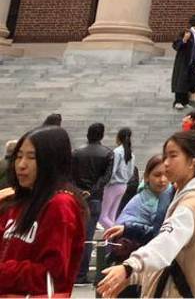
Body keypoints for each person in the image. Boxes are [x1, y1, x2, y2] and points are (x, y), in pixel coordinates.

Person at [96, 130, 195, 299]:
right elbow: (168, 253)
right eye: (165, 156)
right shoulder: (183, 196)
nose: (166, 163)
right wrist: (132, 276)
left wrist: (129, 267)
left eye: (173, 155)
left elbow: (166, 243)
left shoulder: (192, 203)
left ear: (192, 161)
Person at [0, 125, 87, 292]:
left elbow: (52, 274)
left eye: (31, 158)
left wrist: (4, 272)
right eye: (18, 156)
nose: (21, 165)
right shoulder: (16, 201)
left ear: (51, 161)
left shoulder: (60, 205)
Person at [103, 153, 174, 252]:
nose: (163, 180)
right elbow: (157, 232)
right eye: (157, 175)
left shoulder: (175, 195)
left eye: (167, 174)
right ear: (147, 177)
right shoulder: (141, 201)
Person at [73, 119, 114, 284]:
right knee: (88, 236)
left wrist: (79, 191)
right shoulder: (108, 153)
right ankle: (81, 274)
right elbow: (106, 177)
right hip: (95, 198)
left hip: (77, 197)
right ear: (102, 135)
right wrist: (91, 191)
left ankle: (74, 271)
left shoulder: (76, 152)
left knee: (75, 235)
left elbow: (70, 175)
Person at [99, 127, 135, 230]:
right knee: (111, 215)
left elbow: (112, 170)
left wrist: (105, 182)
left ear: (119, 137)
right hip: (123, 185)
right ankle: (111, 241)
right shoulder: (131, 153)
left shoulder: (117, 152)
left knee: (103, 216)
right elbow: (131, 172)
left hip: (113, 185)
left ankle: (118, 233)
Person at [170, 15, 195, 108]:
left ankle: (185, 101)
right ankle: (178, 101)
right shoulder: (186, 32)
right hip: (183, 60)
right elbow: (176, 46)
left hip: (192, 61)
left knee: (189, 81)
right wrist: (184, 40)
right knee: (181, 80)